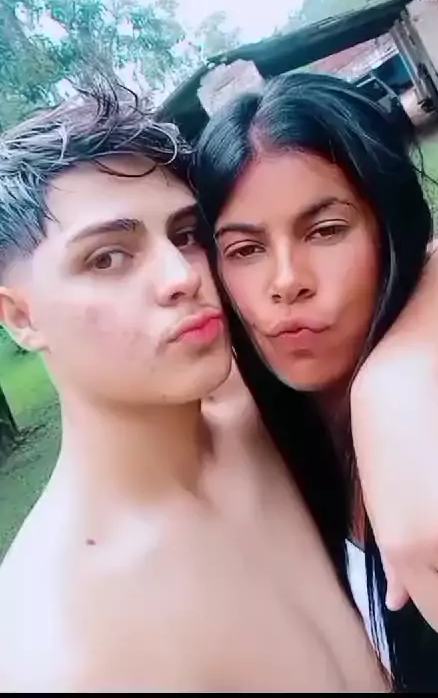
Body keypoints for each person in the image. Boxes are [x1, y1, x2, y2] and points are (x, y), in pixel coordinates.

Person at [0, 90, 388, 692]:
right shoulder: (68, 649)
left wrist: (411, 376)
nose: (183, 277)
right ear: (21, 317)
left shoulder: (261, 411)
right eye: (107, 259)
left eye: (185, 235)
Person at [191, 71, 438, 692]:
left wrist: (394, 385)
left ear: (388, 230)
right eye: (244, 249)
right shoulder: (252, 439)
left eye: (325, 231)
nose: (286, 281)